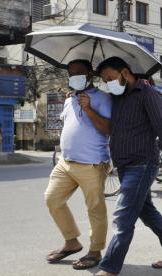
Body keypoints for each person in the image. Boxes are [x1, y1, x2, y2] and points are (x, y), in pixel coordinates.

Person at [95, 57, 162, 276]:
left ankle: (109, 267)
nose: (108, 84)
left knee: (123, 217)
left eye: (110, 78)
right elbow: (110, 127)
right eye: (105, 81)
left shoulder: (149, 95)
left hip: (142, 164)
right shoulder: (118, 98)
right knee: (147, 211)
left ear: (125, 72)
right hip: (125, 165)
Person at [45, 59, 112, 270]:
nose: (74, 77)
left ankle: (95, 250)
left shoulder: (103, 98)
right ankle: (72, 241)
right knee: (52, 199)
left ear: (90, 75)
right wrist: (76, 100)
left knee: (95, 208)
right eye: (71, 73)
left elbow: (107, 129)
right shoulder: (69, 99)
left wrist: (90, 109)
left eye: (79, 73)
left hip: (92, 163)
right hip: (65, 163)